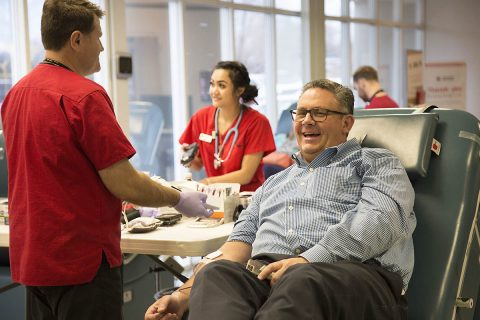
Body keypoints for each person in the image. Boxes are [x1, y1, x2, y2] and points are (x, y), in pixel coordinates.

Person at [1, 1, 211, 319]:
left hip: (34, 261)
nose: (101, 46)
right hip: (80, 264)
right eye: (98, 37)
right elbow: (125, 184)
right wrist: (177, 197)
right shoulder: (85, 96)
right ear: (76, 39)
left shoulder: (16, 94)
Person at [145, 79, 416, 320]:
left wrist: (308, 260)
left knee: (301, 279)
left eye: (319, 113)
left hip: (351, 277)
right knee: (217, 274)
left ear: (347, 123)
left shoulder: (376, 163)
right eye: (300, 113)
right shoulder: (274, 182)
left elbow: (379, 222)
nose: (306, 120)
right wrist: (182, 295)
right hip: (271, 278)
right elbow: (236, 245)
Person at [179, 61, 276, 192]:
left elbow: (246, 175)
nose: (214, 91)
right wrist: (188, 158)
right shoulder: (200, 118)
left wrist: (208, 182)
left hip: (247, 198)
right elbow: (197, 165)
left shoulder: (257, 122)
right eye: (212, 84)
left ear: (239, 90)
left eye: (221, 86)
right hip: (214, 195)